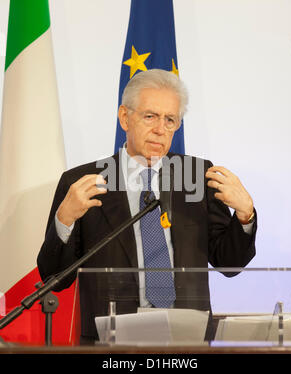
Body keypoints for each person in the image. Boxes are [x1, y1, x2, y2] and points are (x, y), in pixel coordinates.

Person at [37, 69, 257, 344]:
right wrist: (64, 220)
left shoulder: (196, 175)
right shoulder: (83, 182)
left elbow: (230, 263)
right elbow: (55, 277)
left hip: (187, 342)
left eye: (170, 120)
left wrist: (245, 215)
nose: (160, 129)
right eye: (150, 116)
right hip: (112, 344)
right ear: (125, 117)